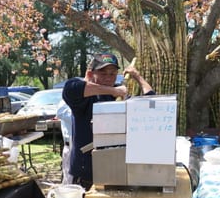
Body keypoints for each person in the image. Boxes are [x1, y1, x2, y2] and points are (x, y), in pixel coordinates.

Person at [62, 53, 155, 189]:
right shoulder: (84, 98)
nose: (108, 77)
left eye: (112, 74)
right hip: (87, 173)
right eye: (102, 73)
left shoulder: (121, 96)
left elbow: (151, 102)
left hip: (116, 170)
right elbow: (71, 88)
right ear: (90, 73)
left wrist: (137, 76)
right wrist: (114, 90)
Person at [56, 99, 73, 184]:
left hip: (84, 146)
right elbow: (60, 113)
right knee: (69, 179)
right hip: (70, 145)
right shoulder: (66, 100)